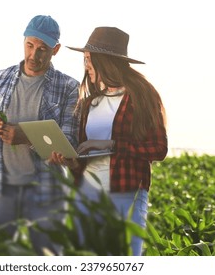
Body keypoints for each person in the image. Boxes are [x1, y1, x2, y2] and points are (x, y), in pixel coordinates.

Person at [0, 15, 80, 255]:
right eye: (30, 45)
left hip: (47, 190)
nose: (34, 55)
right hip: (0, 187)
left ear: (55, 50)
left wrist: (26, 136)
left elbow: (69, 144)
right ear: (24, 41)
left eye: (42, 50)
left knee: (49, 257)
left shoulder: (69, 87)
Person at [50, 27, 168, 255]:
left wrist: (111, 145)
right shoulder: (89, 102)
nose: (86, 66)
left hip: (126, 193)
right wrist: (71, 162)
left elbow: (159, 149)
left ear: (104, 61)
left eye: (88, 59)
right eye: (84, 60)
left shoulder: (141, 95)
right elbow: (84, 160)